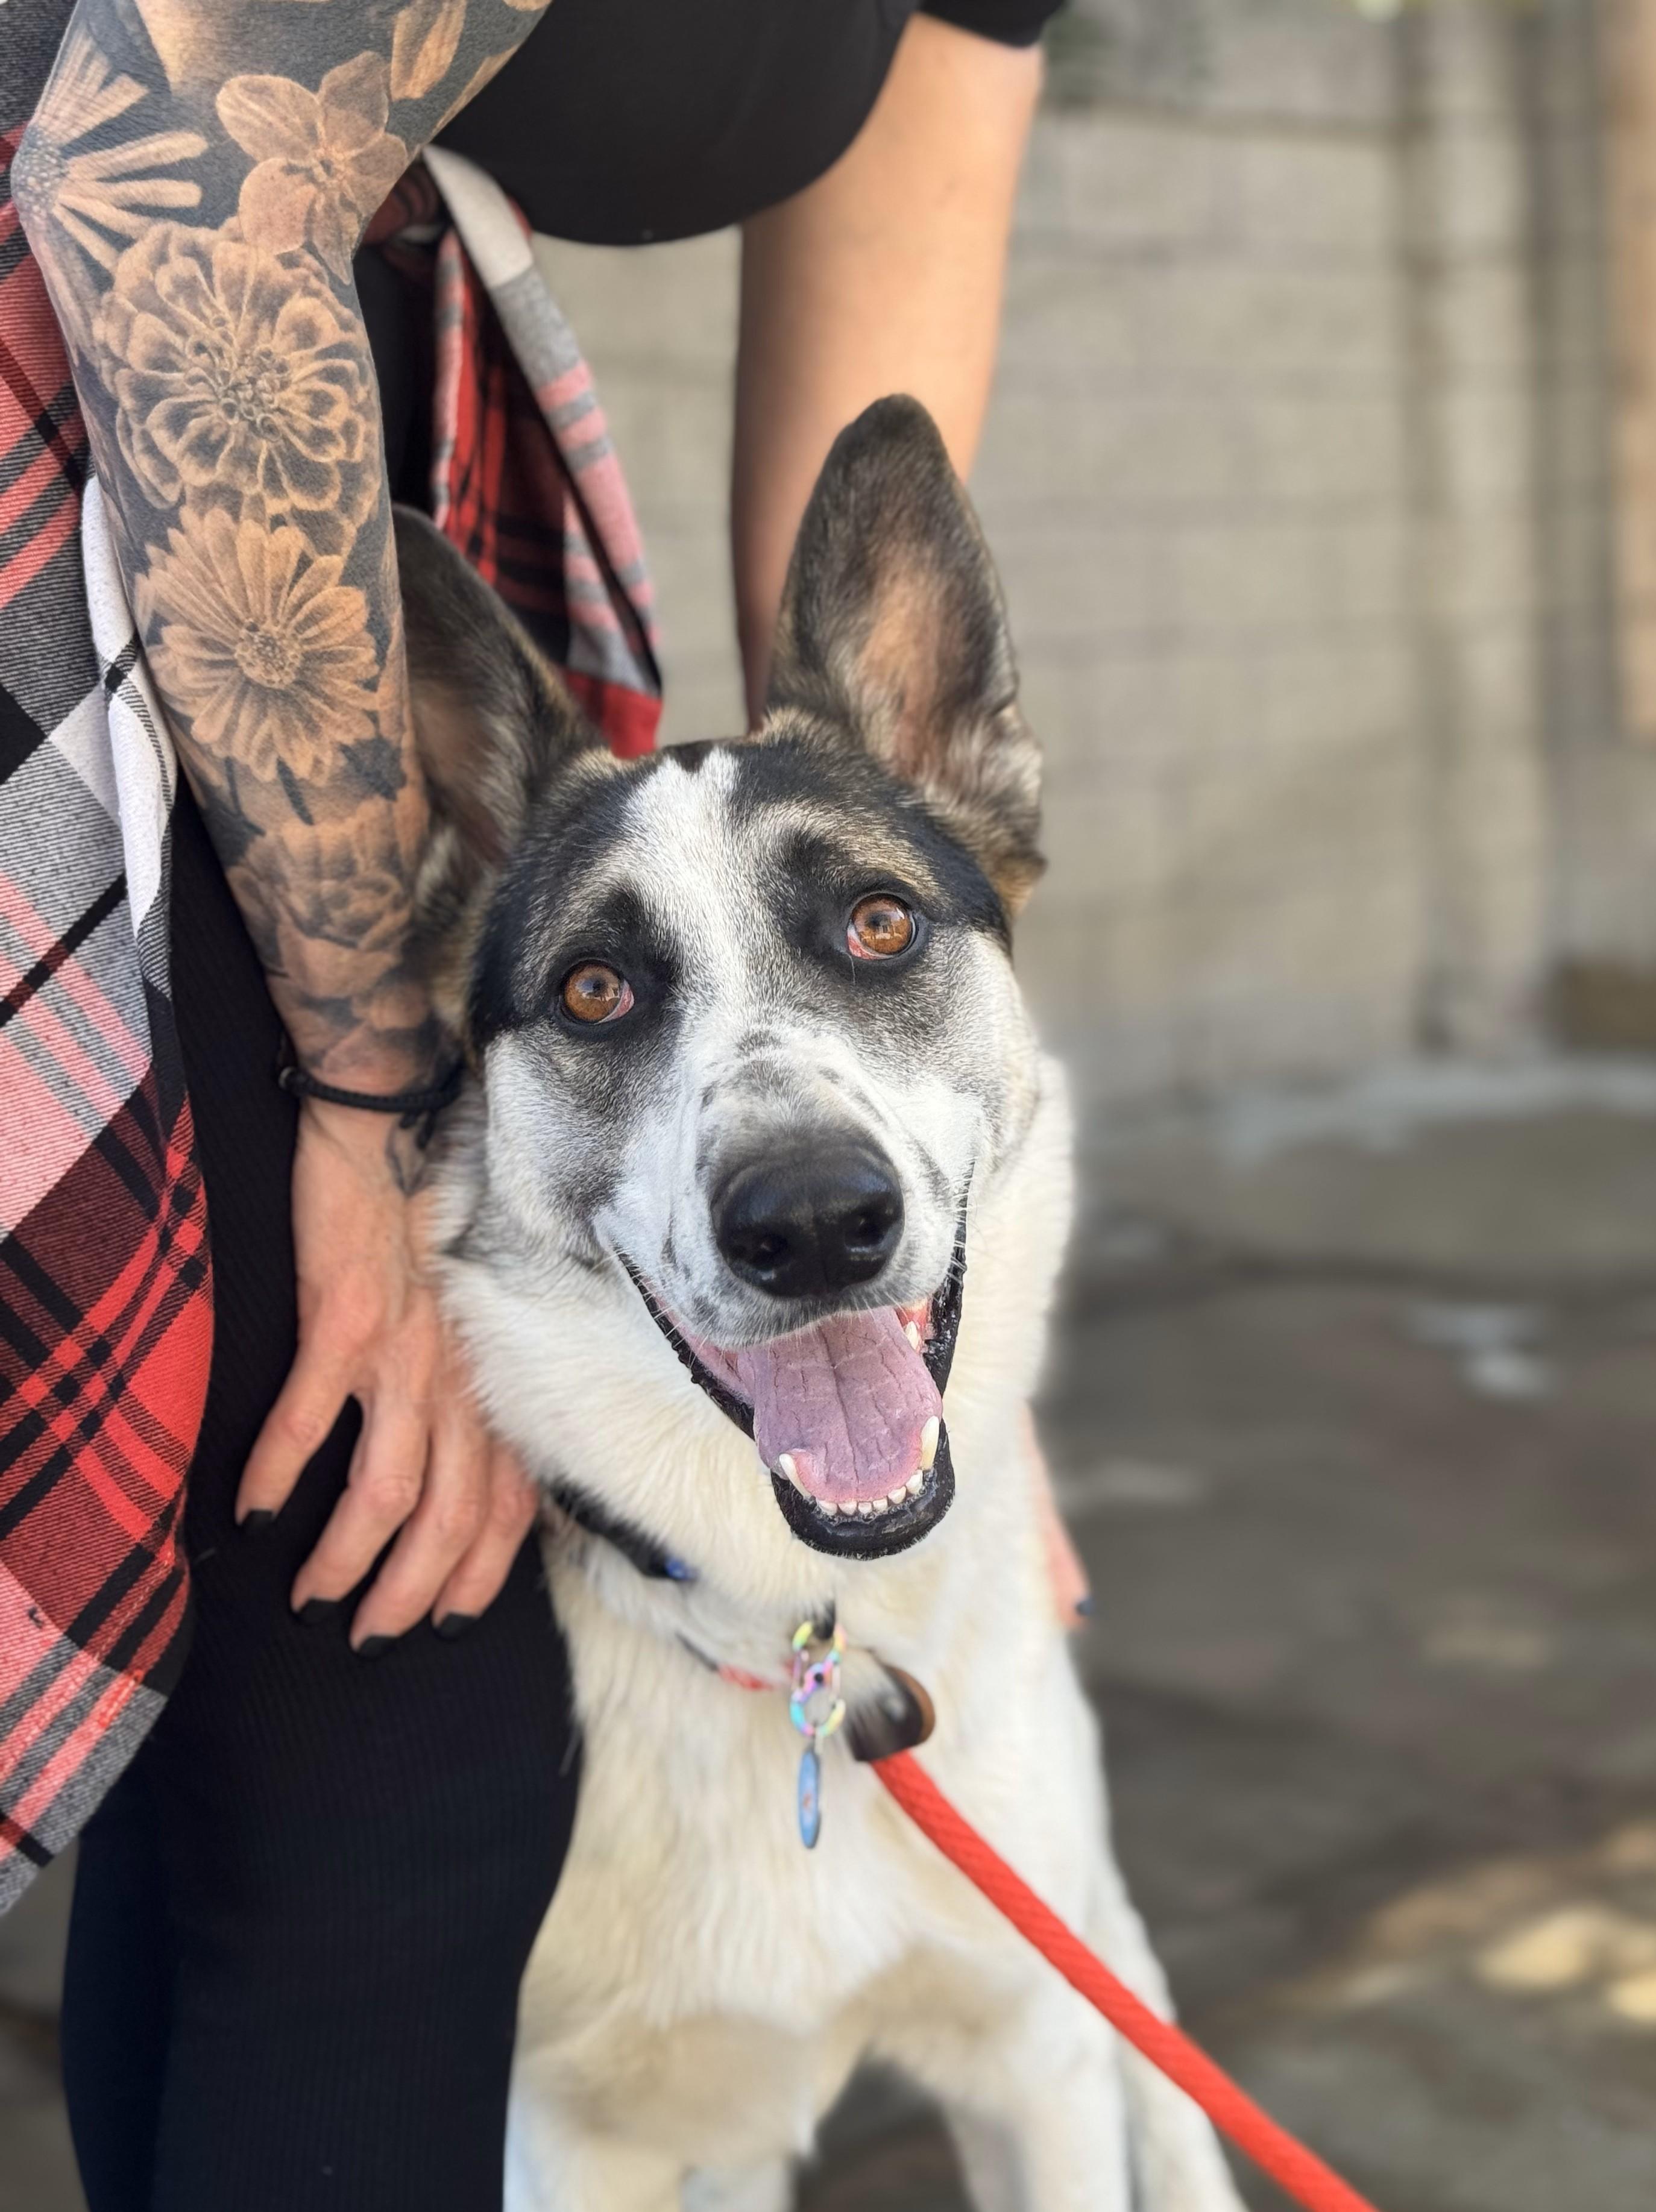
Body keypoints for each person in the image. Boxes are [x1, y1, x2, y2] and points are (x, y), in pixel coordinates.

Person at [3, 2, 1056, 2204]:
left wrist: (945, 1296)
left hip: (265, 464)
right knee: (403, 1766)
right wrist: (384, 1088)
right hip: (130, 435)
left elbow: (869, 635)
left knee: (252, 1744)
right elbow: (158, 175)